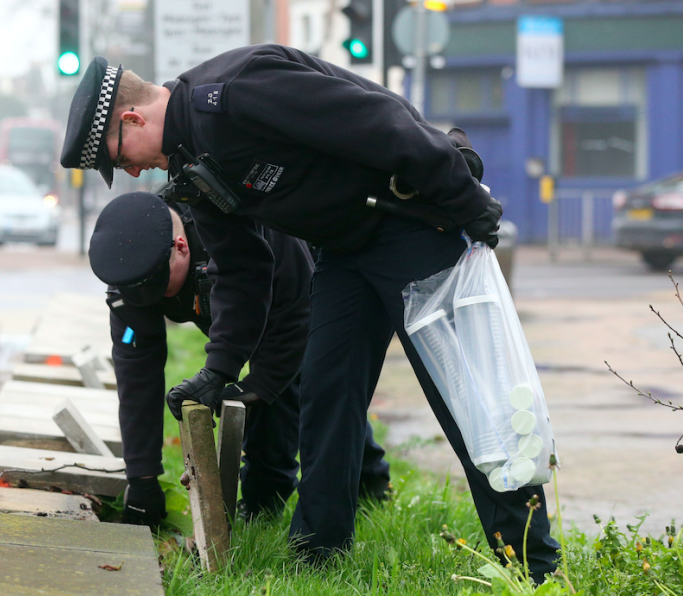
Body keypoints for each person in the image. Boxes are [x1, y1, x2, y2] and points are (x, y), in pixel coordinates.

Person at [59, 48, 561, 581]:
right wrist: (220, 370)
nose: (133, 170)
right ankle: (319, 556)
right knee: (326, 397)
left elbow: (378, 119)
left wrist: (463, 199)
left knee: (465, 396)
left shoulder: (234, 93)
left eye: (122, 157)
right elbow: (245, 269)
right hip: (343, 250)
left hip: (409, 223)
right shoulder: (191, 164)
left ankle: (533, 568)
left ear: (131, 118)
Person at [84, 190, 390, 526]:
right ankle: (339, 485)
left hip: (304, 289)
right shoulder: (131, 274)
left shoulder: (234, 226)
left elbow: (295, 319)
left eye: (161, 290)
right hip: (242, 306)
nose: (155, 302)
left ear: (182, 248)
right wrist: (141, 480)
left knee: (302, 387)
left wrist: (255, 387)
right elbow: (136, 379)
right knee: (274, 391)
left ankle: (283, 500)